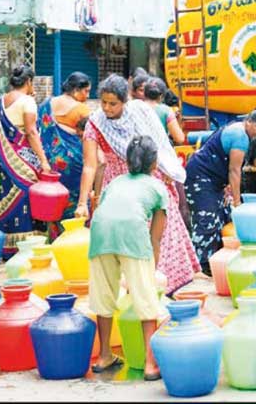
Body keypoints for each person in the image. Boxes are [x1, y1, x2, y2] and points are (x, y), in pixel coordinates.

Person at [74, 74, 200, 294]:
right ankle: (129, 287)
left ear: (125, 101)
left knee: (160, 234)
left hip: (150, 179)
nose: (107, 108)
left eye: (113, 103)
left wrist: (167, 169)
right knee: (124, 236)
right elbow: (89, 166)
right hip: (118, 186)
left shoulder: (140, 112)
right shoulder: (95, 123)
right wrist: (82, 202)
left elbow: (160, 144)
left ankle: (163, 286)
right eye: (103, 102)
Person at [89, 135, 166, 381]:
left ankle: (104, 355)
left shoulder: (116, 182)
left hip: (100, 232)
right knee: (145, 299)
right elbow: (155, 237)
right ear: (153, 163)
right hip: (132, 233)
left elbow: (101, 209)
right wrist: (150, 271)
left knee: (104, 294)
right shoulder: (156, 187)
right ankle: (150, 363)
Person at [185, 109, 256, 275]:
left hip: (214, 181)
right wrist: (238, 202)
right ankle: (200, 268)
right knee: (207, 221)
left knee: (221, 218)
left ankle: (214, 265)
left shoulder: (242, 132)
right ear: (248, 122)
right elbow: (234, 171)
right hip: (201, 178)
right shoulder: (239, 136)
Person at [0, 65, 52, 259]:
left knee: (7, 196)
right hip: (24, 159)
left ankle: (8, 246)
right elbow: (31, 132)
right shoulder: (28, 101)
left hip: (6, 158)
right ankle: (28, 246)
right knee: (28, 196)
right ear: (29, 82)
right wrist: (43, 160)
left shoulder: (1, 100)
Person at [37, 72, 92, 232]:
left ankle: (54, 238)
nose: (87, 96)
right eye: (86, 91)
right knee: (73, 200)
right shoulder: (82, 110)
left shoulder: (46, 104)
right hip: (73, 166)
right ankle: (72, 236)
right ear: (76, 89)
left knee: (53, 200)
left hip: (49, 163)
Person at [143, 77, 185, 145]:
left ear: (144, 93)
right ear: (161, 96)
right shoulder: (166, 111)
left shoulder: (135, 107)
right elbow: (180, 139)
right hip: (160, 152)